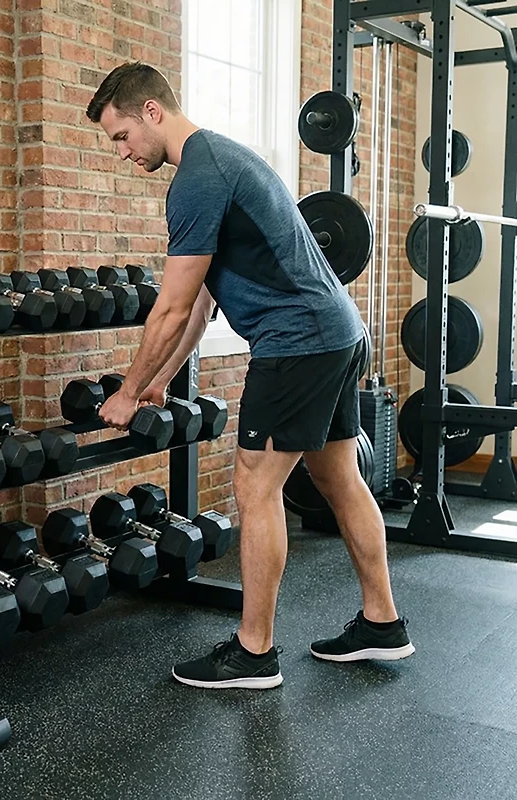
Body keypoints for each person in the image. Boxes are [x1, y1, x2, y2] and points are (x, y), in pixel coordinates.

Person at [85, 62, 414, 690]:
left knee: (254, 488)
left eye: (122, 136)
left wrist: (126, 393)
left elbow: (171, 306)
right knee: (339, 477)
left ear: (152, 111)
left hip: (296, 345)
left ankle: (253, 653)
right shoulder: (221, 158)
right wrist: (161, 377)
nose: (123, 153)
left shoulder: (196, 179)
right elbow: (202, 301)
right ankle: (382, 622)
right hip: (337, 333)